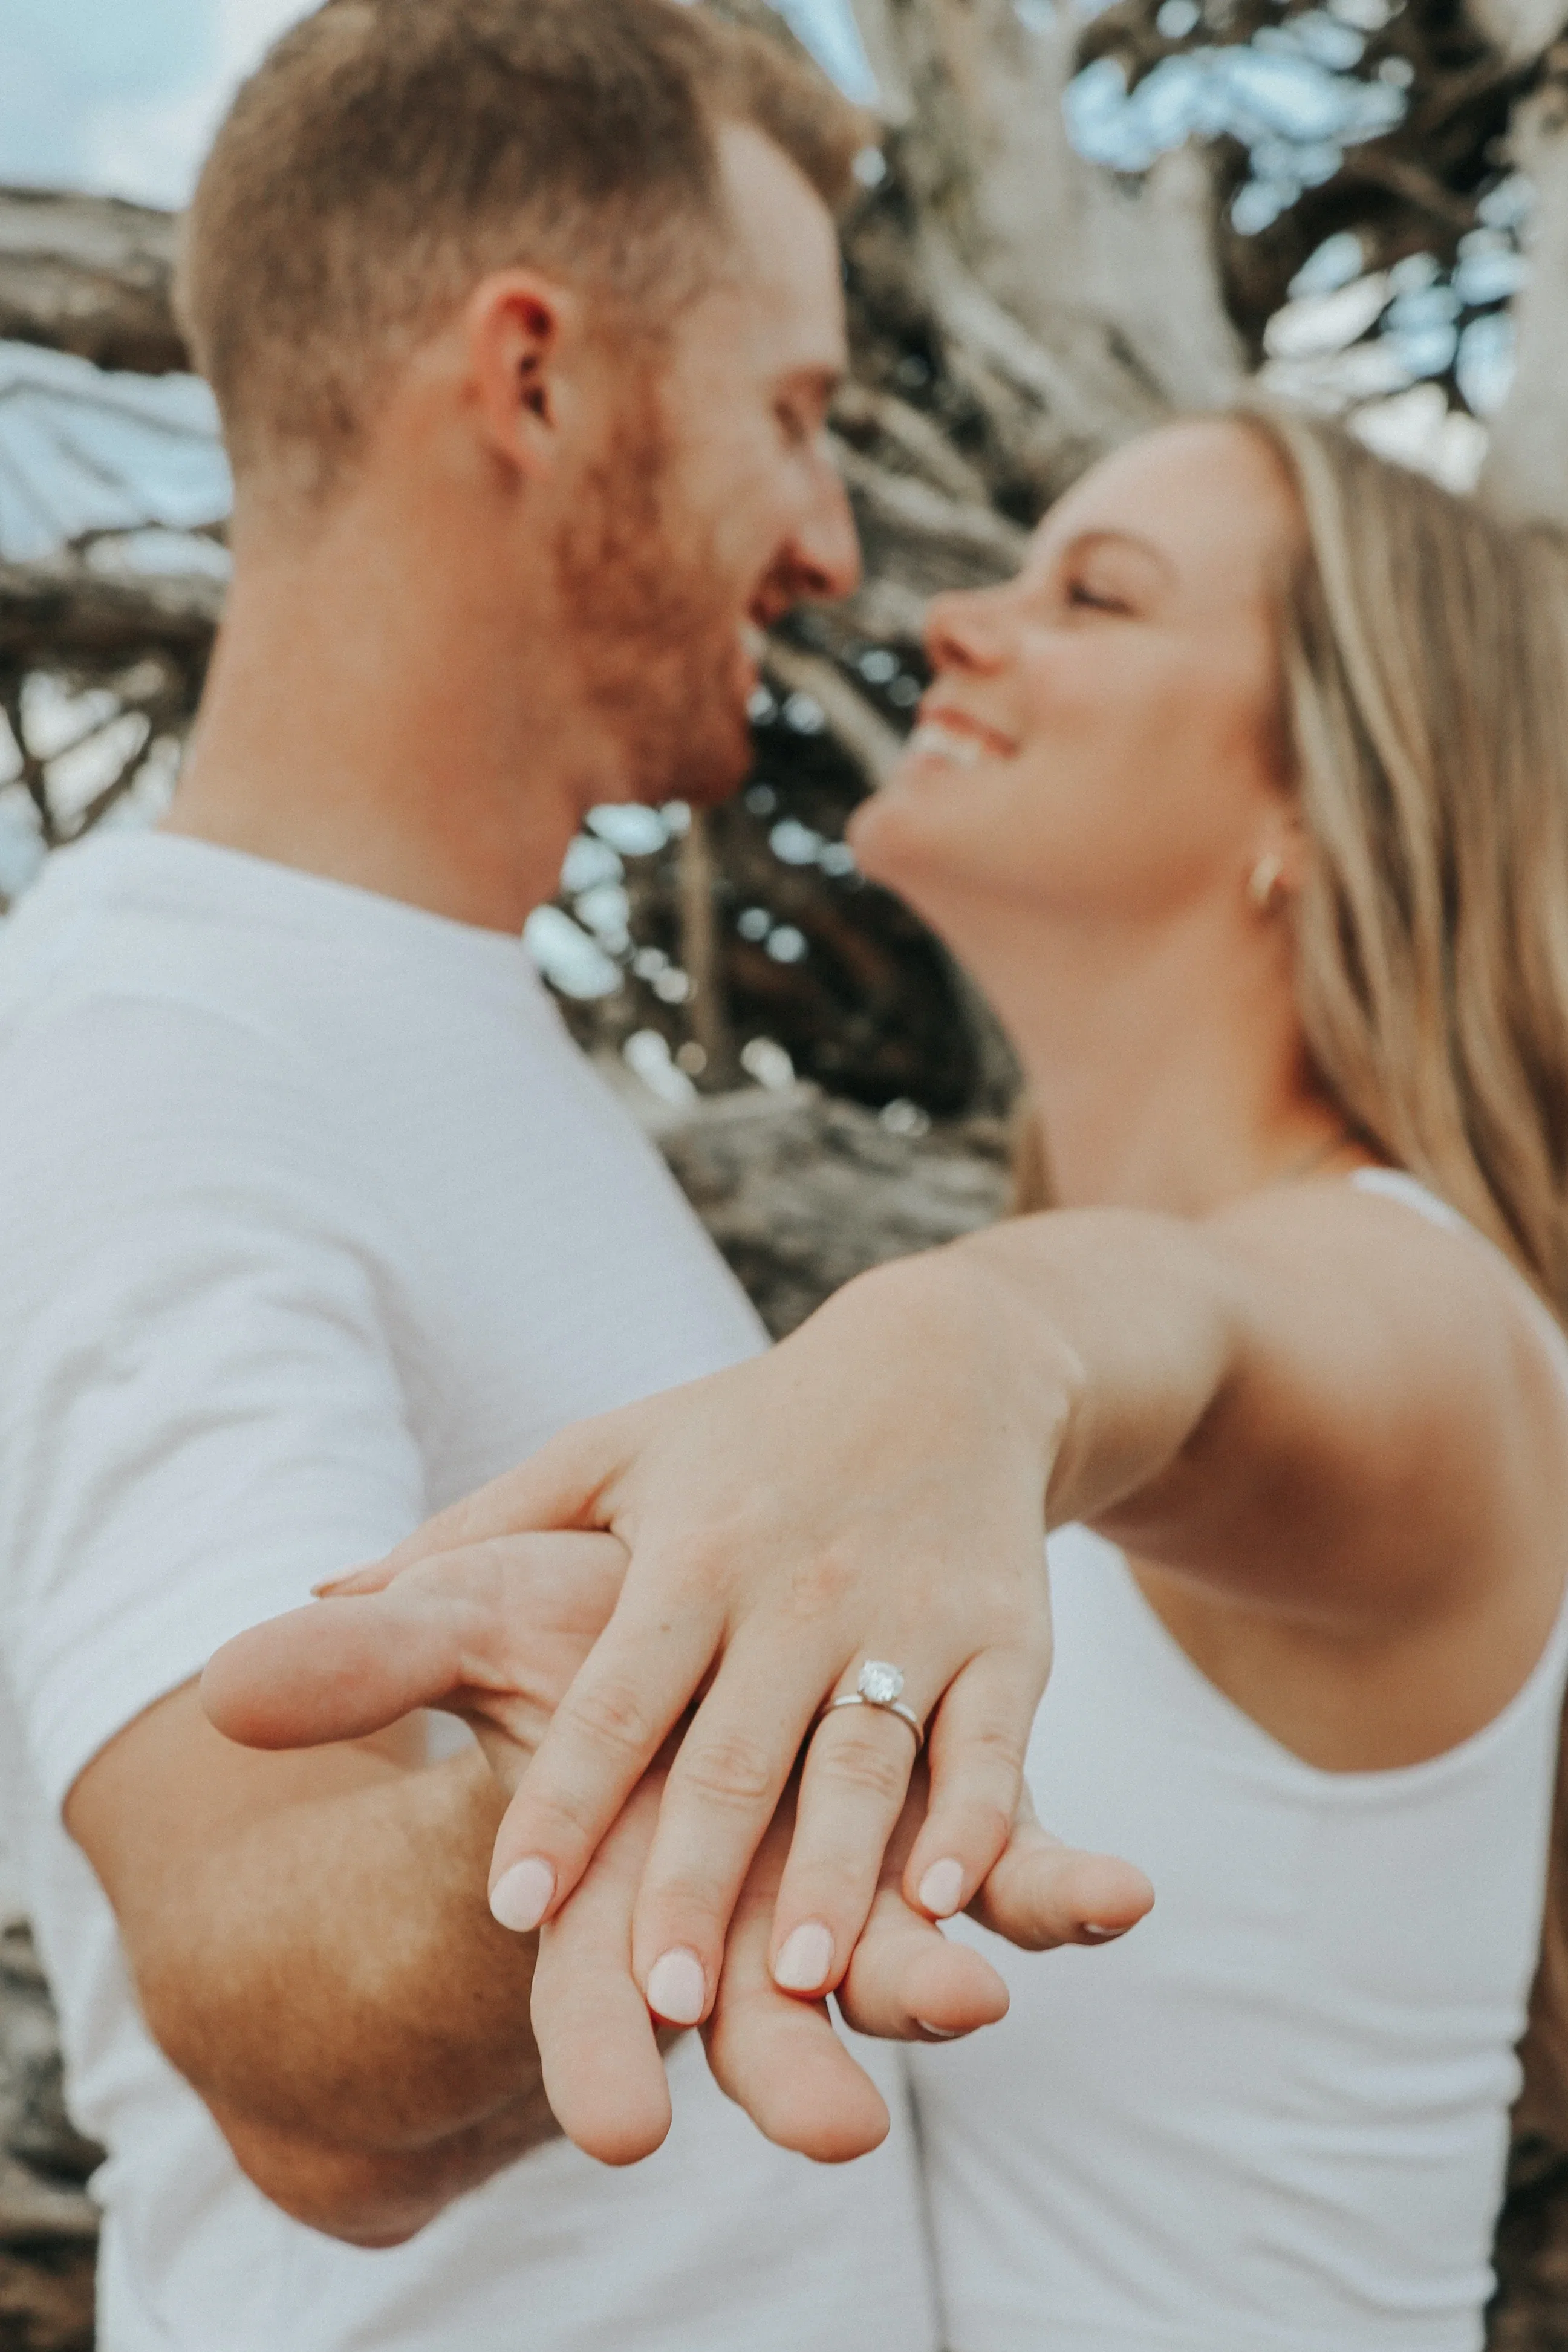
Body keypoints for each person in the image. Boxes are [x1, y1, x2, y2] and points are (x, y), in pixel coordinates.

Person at [0, 5, 1145, 2348]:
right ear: (531, 379)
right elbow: (258, 2001)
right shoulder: (147, 1043)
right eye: (795, 414)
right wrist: (628, 1809)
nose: (831, 539)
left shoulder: (429, 1018)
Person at [215, 409, 1568, 2347]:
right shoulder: (970, 1525)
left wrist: (960, 1347)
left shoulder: (1451, 1336)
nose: (958, 625)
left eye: (1093, 594)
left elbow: (1178, 1338)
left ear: (1328, 803)